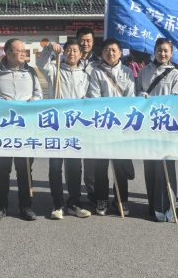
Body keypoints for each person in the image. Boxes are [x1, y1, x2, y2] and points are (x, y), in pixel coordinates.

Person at [0, 38, 43, 221]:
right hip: (3, 127)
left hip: (25, 127)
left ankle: (26, 206)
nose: (24, 53)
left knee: (24, 170)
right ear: (7, 53)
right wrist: (0, 101)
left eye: (24, 50)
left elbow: (39, 94)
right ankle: (1, 206)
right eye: (19, 50)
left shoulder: (30, 71)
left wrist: (34, 101)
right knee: (2, 169)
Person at [37, 39, 92, 219]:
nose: (72, 53)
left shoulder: (85, 75)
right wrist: (48, 48)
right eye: (68, 50)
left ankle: (74, 202)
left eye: (75, 51)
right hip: (56, 126)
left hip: (76, 126)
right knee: (55, 166)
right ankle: (57, 203)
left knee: (75, 167)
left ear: (81, 54)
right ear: (63, 52)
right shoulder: (55, 69)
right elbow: (41, 63)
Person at [136, 38, 178, 221]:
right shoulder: (144, 71)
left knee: (165, 169)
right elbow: (136, 92)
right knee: (150, 167)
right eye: (159, 50)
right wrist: (140, 95)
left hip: (165, 126)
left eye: (166, 51)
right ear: (154, 51)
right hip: (147, 126)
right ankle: (152, 206)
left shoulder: (176, 74)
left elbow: (176, 100)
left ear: (171, 53)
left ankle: (166, 210)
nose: (162, 54)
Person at [87, 38, 135, 216]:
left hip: (121, 126)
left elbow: (131, 98)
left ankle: (121, 199)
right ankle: (101, 199)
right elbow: (94, 97)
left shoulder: (127, 72)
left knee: (120, 165)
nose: (111, 53)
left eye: (114, 50)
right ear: (102, 53)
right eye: (107, 50)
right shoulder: (96, 72)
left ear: (120, 53)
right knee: (100, 166)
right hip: (102, 125)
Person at [76, 27, 100, 201]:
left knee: (92, 155)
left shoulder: (99, 61)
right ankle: (74, 193)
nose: (85, 43)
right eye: (82, 40)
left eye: (88, 40)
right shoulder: (68, 59)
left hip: (93, 114)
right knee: (74, 155)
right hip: (74, 114)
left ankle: (92, 191)